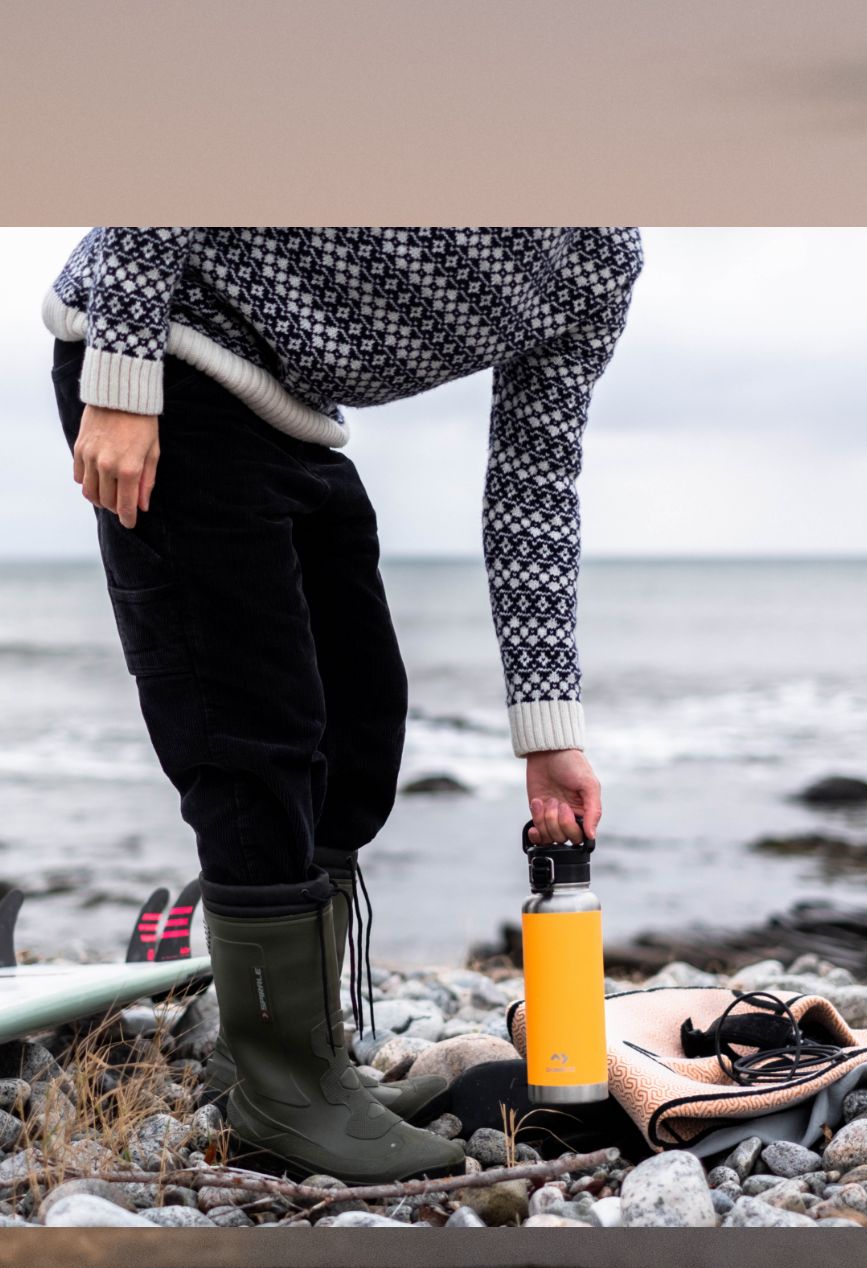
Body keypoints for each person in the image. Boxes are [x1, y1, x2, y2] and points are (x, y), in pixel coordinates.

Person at [47, 227, 644, 1183]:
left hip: (290, 409)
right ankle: (283, 1094)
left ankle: (308, 1063)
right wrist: (121, 372)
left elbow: (535, 483)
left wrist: (550, 731)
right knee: (253, 729)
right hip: (168, 350)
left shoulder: (597, 257)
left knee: (363, 719)